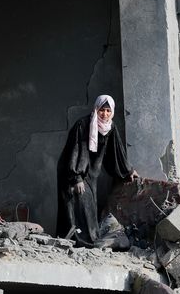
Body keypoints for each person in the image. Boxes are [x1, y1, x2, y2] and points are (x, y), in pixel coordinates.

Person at [56, 94, 137, 247]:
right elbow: (75, 151)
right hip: (72, 171)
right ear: (96, 109)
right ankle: (79, 241)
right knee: (78, 201)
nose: (104, 114)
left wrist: (128, 170)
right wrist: (77, 178)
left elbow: (116, 152)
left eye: (108, 111)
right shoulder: (83, 125)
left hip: (91, 173)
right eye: (101, 110)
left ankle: (88, 240)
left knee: (89, 206)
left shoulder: (110, 128)